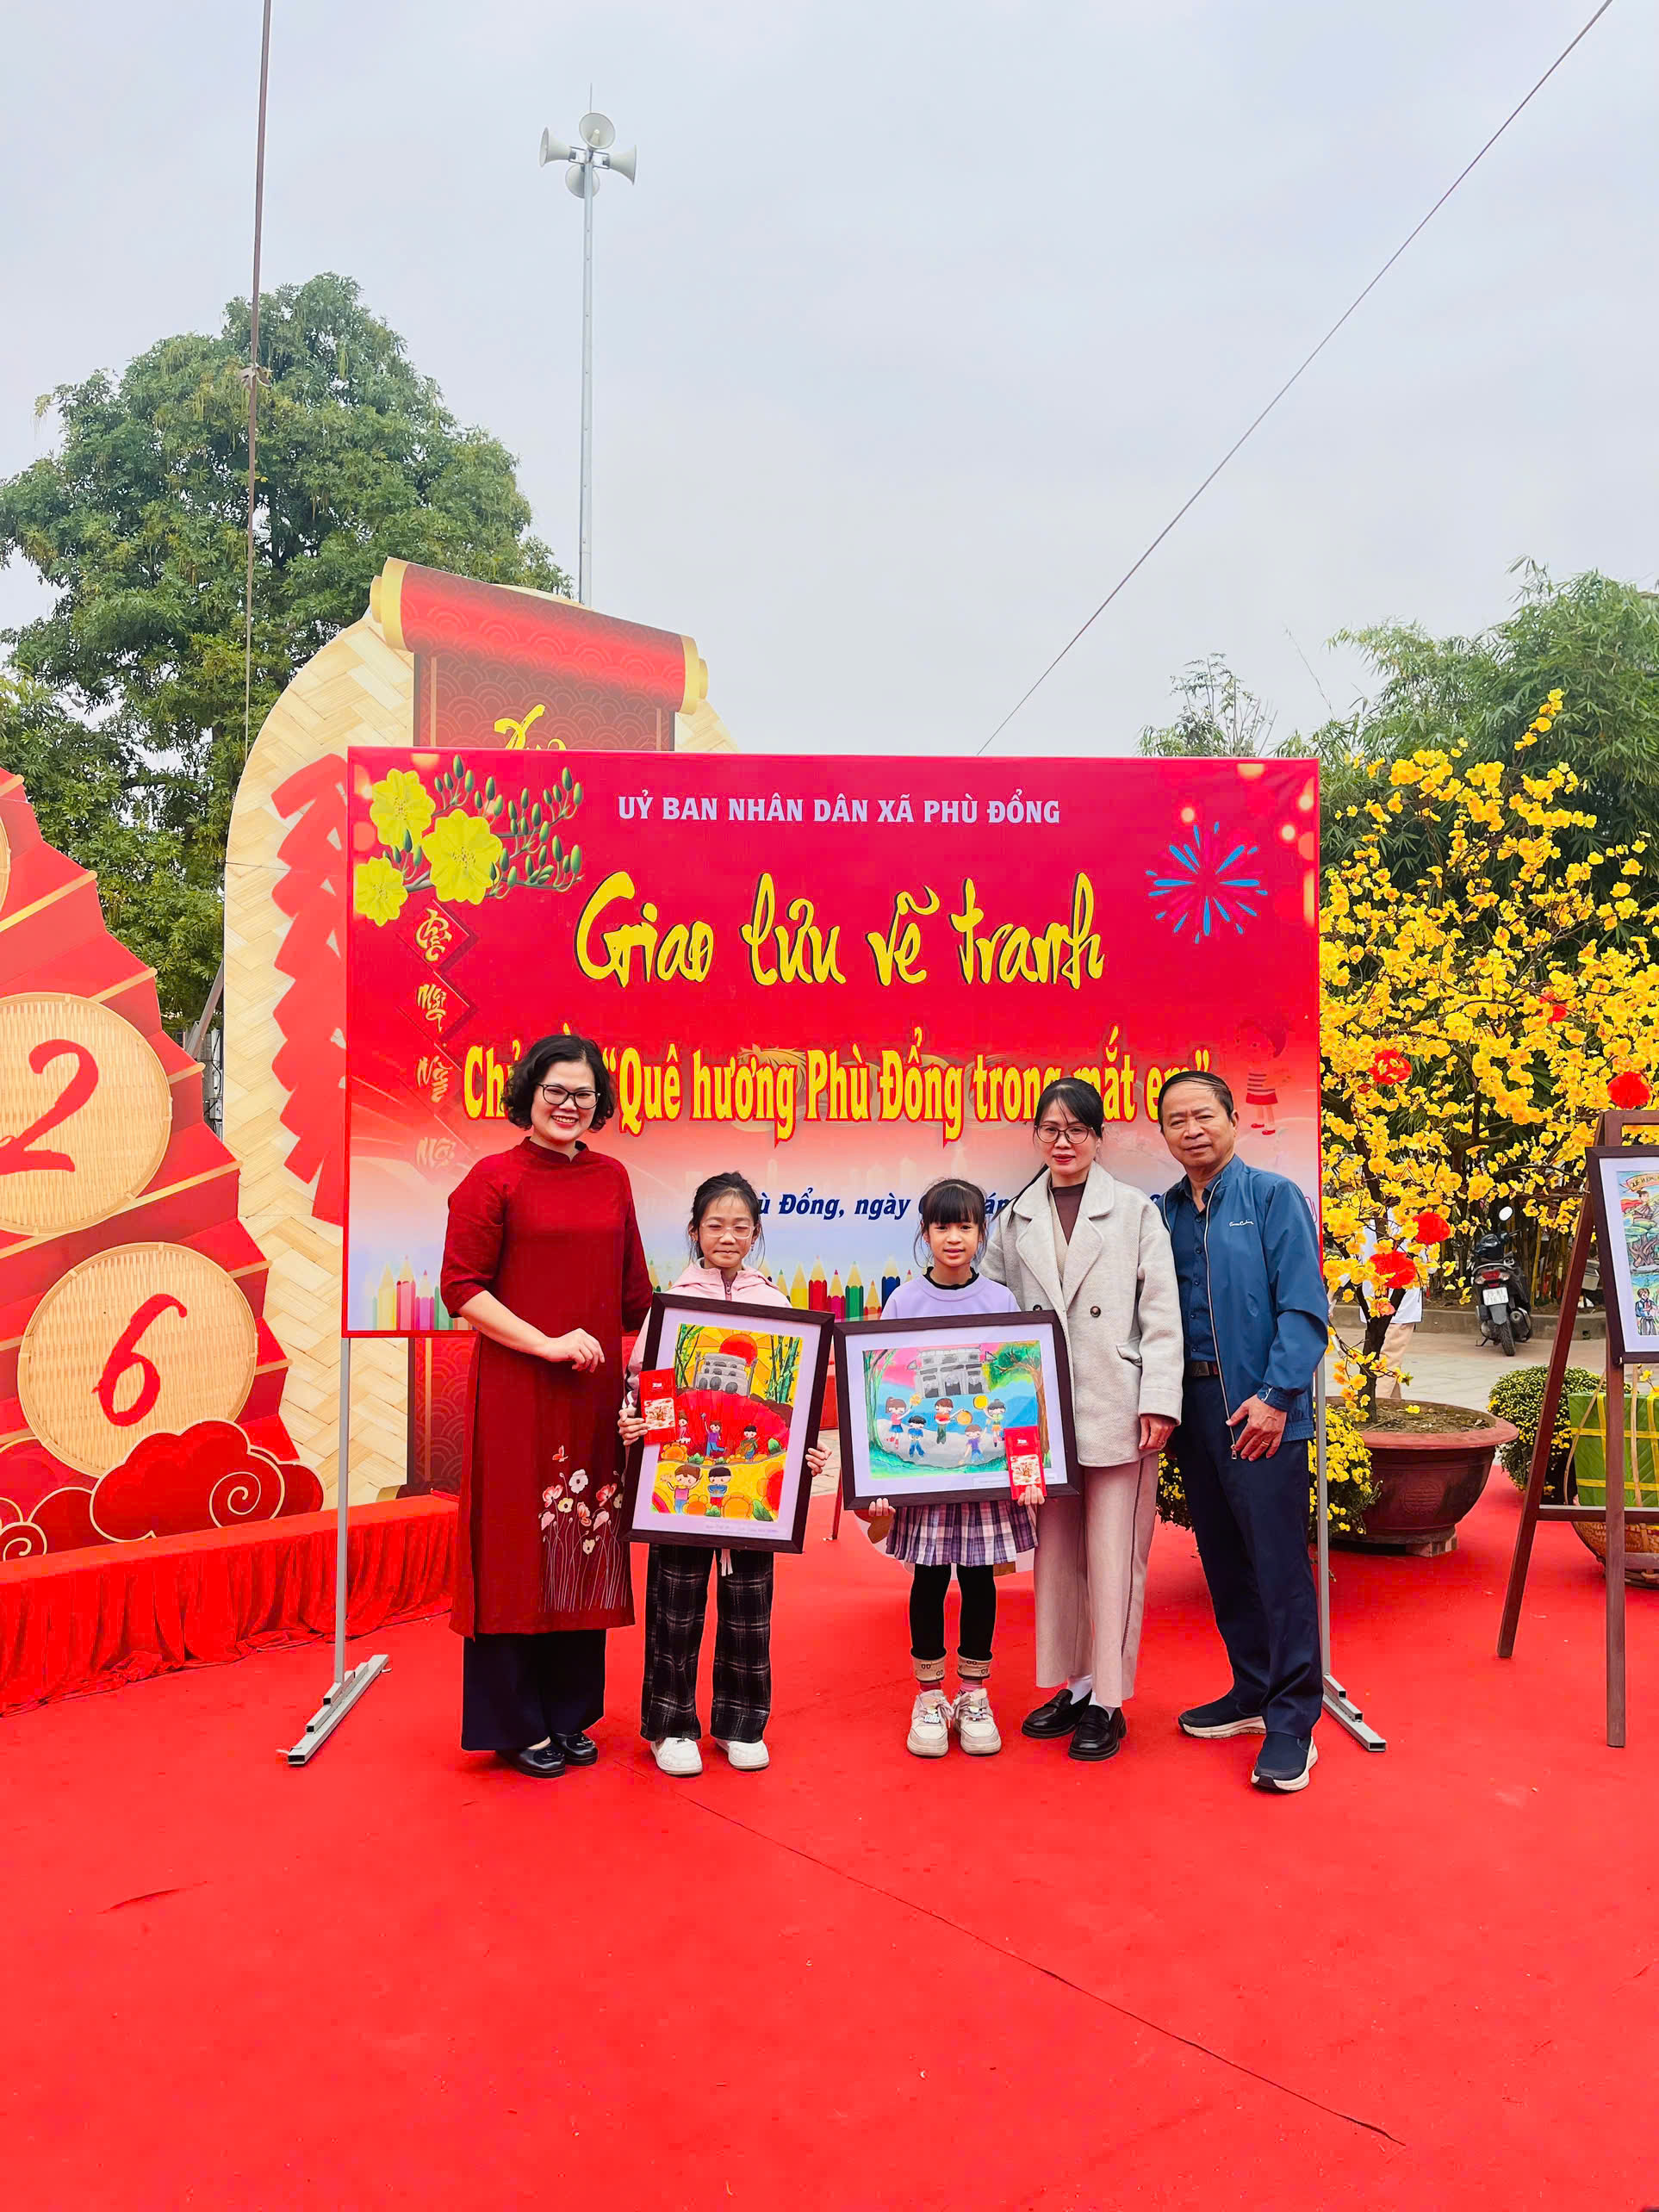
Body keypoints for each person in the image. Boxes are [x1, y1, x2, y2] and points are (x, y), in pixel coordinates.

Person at [440, 1032, 651, 1779]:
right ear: (529, 1093)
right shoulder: (492, 1178)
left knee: (583, 1541)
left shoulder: (611, 1177)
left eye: (583, 1093)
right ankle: (514, 1722)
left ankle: (569, 1713)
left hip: (593, 1399)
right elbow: (462, 1289)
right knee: (514, 1549)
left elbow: (637, 1297)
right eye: (556, 1090)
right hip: (517, 1393)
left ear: (600, 1101)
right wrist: (546, 1343)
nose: (569, 1104)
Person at [984, 1080, 1184, 1763]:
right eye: (1051, 1129)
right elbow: (992, 1313)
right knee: (1058, 1557)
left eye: (1077, 1129)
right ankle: (1075, 1685)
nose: (1063, 1141)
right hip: (1038, 1413)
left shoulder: (1134, 1211)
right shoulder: (1014, 1220)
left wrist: (1160, 1399)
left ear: (1099, 1137)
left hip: (1117, 1404)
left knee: (1114, 1556)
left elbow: (1162, 1315)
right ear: (1036, 1137)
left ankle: (1110, 1701)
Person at [1154, 1069, 1330, 1794]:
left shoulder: (1272, 1198)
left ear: (1233, 1119)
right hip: (1194, 1410)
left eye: (1203, 1115)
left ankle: (1293, 1721)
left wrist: (1277, 1397)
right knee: (1224, 1560)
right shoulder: (1162, 1214)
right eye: (1176, 1121)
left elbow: (1304, 1308)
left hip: (1261, 1411)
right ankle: (1252, 1690)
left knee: (1279, 1566)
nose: (1191, 1130)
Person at [618, 1171, 827, 1779]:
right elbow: (646, 1384)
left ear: (755, 1234)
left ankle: (742, 1723)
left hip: (750, 1500)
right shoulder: (672, 1304)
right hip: (677, 1488)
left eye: (740, 1227)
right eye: (715, 1225)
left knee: (748, 1608)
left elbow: (794, 1403)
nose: (727, 1237)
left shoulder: (777, 1308)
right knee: (675, 1605)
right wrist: (637, 1422)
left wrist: (803, 1453)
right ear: (695, 1231)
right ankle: (670, 1724)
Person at [876, 1177, 1034, 1760]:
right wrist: (880, 1480)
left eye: (965, 1226)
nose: (953, 1237)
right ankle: (927, 1697)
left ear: (981, 1233)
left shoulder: (1000, 1301)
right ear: (925, 1233)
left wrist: (1026, 1470)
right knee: (928, 1578)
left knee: (978, 1579)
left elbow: (1019, 1389)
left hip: (983, 1473)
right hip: (924, 1476)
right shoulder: (903, 1302)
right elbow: (882, 1391)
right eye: (942, 1226)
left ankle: (973, 1694)